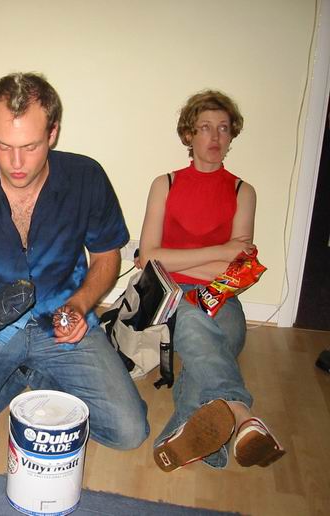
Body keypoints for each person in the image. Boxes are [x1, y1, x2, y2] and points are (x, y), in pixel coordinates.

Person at [0, 72, 148, 450]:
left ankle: (28, 374)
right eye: (2, 145)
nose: (16, 162)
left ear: (53, 133)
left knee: (129, 432)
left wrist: (80, 304)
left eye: (30, 146)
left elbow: (106, 257)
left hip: (62, 319)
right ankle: (24, 375)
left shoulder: (86, 178)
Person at [137, 89, 285, 471]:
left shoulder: (243, 191)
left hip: (222, 296)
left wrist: (182, 259)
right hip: (169, 294)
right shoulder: (165, 184)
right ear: (189, 135)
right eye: (205, 128)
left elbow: (240, 270)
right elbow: (149, 258)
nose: (215, 137)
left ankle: (195, 439)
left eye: (223, 128)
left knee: (220, 342)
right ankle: (241, 413)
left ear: (232, 135)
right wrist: (221, 251)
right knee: (194, 324)